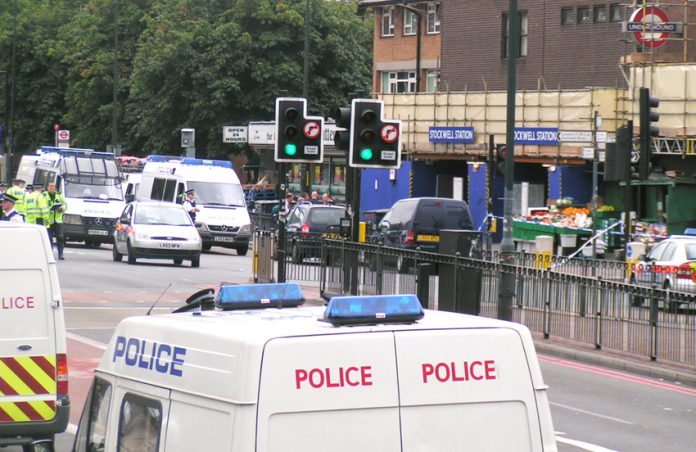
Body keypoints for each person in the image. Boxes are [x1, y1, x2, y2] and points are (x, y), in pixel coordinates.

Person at [43, 182, 67, 260]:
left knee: (60, 237)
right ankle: (49, 254)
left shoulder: (59, 195)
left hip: (58, 220)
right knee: (49, 238)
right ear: (47, 187)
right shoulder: (44, 195)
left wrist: (61, 209)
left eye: (53, 186)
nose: (52, 188)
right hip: (48, 220)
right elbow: (42, 205)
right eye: (50, 186)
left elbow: (65, 205)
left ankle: (61, 253)